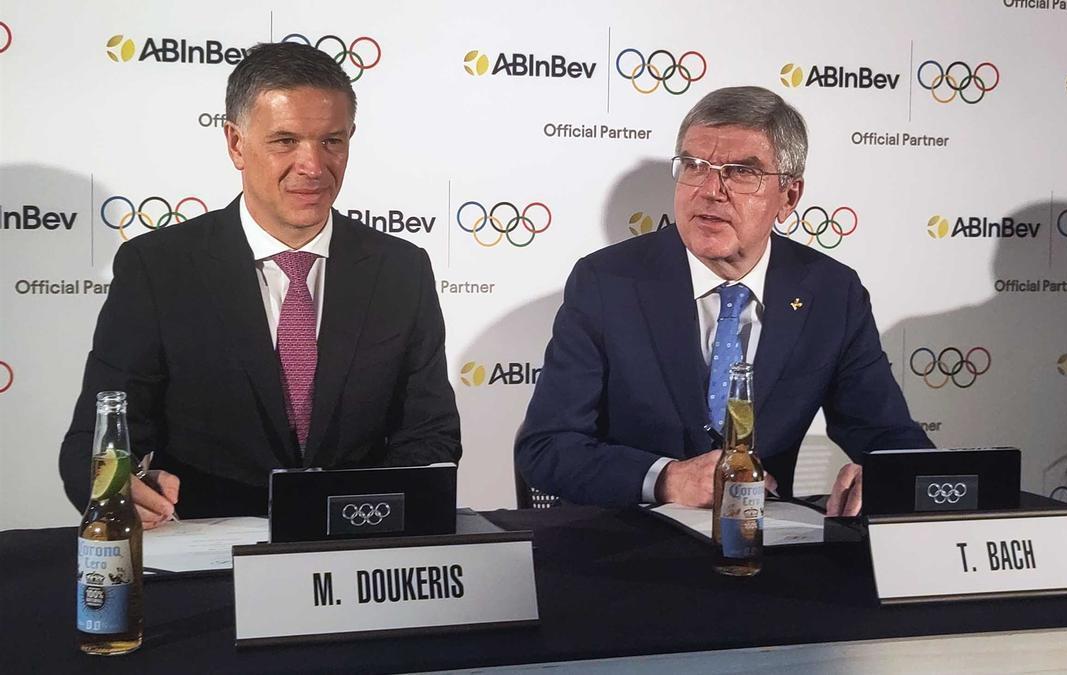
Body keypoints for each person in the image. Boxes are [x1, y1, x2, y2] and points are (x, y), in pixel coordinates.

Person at [60, 42, 461, 524]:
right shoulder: (157, 268)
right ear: (235, 143)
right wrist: (119, 485)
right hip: (205, 556)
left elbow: (430, 431)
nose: (313, 166)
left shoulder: (402, 269)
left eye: (332, 141)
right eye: (285, 141)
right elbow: (96, 442)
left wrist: (380, 519)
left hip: (354, 548)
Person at [515, 86, 930, 515]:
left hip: (764, 551)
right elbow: (548, 446)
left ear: (788, 197)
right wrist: (667, 479)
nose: (711, 190)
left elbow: (889, 438)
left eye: (741, 172)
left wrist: (884, 475)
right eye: (695, 166)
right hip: (632, 545)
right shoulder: (606, 284)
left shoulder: (831, 293)